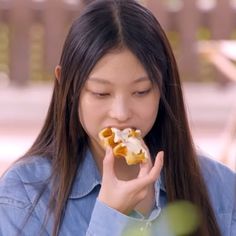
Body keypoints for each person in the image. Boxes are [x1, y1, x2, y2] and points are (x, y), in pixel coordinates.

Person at [0, 0, 235, 235]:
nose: (121, 114)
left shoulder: (220, 188)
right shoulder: (24, 193)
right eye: (101, 93)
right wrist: (110, 215)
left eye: (141, 91)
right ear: (68, 87)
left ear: (162, 86)